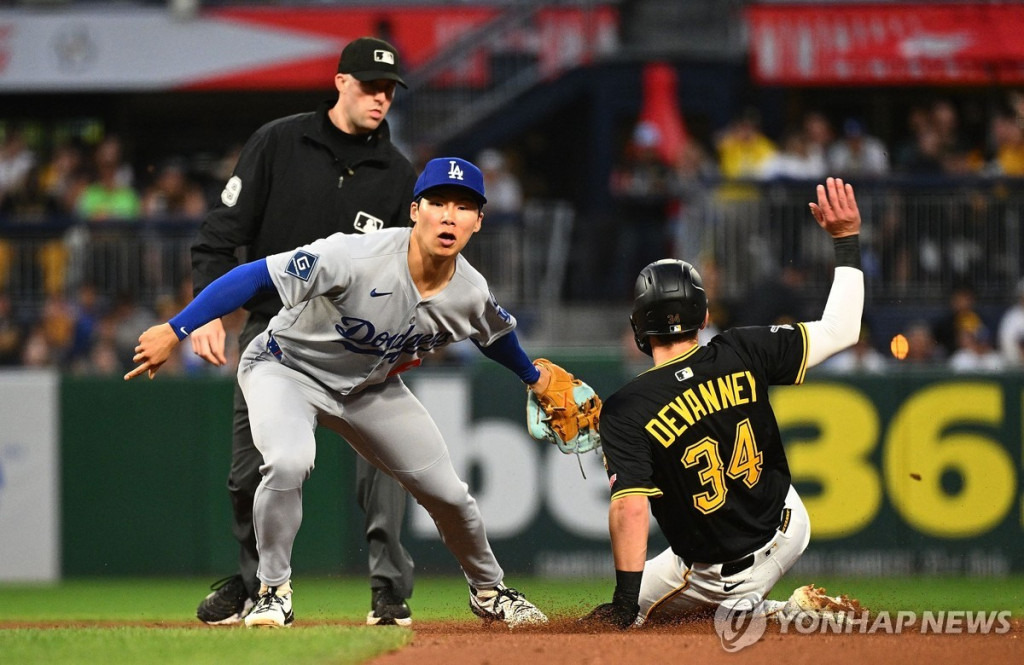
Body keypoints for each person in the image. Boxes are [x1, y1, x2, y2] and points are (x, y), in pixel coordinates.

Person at [127, 157, 551, 630]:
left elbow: (496, 336)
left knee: (450, 495)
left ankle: (490, 591)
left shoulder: (469, 291)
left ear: (479, 221)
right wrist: (177, 327)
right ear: (415, 211)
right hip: (286, 369)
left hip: (370, 389)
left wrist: (532, 377)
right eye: (438, 203)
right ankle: (273, 591)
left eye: (464, 207)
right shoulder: (355, 255)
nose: (449, 216)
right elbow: (257, 275)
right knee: (287, 461)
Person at [187, 36, 420, 627]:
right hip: (273, 332)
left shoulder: (398, 175)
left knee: (388, 462)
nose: (380, 98)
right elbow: (219, 236)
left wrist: (404, 335)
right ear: (340, 82)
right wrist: (208, 311)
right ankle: (255, 586)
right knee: (249, 473)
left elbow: (408, 272)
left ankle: (389, 592)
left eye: (389, 89)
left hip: (358, 339)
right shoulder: (278, 143)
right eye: (369, 86)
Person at [583, 177, 865, 629]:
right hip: (789, 526)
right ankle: (767, 609)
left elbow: (631, 509)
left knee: (622, 622)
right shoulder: (743, 348)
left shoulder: (626, 408)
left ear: (639, 327)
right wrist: (846, 239)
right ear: (704, 317)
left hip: (715, 573)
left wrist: (623, 605)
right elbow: (842, 330)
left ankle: (769, 613)